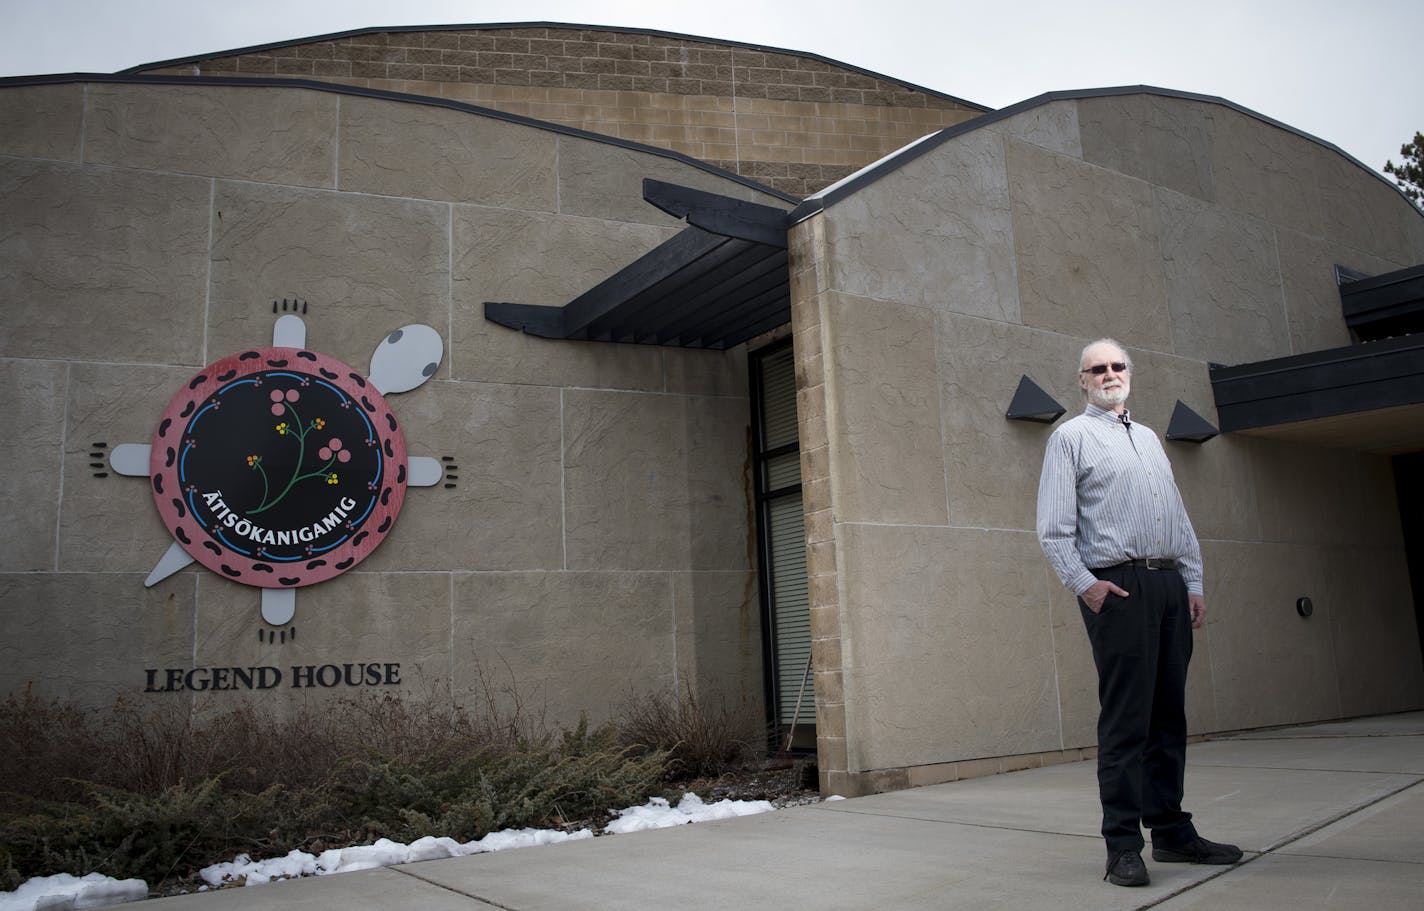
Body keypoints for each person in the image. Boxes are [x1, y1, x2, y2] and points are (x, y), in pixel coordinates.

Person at [1036, 338, 1242, 887]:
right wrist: (1088, 586)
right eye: (1097, 368)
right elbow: (1053, 529)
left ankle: (1173, 832)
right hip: (1119, 588)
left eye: (1117, 366)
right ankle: (1122, 846)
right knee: (1127, 721)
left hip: (1169, 584)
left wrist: (1191, 582)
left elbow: (1177, 515)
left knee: (1168, 717)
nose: (1109, 374)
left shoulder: (1149, 438)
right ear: (1082, 381)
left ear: (1131, 374)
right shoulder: (1070, 438)